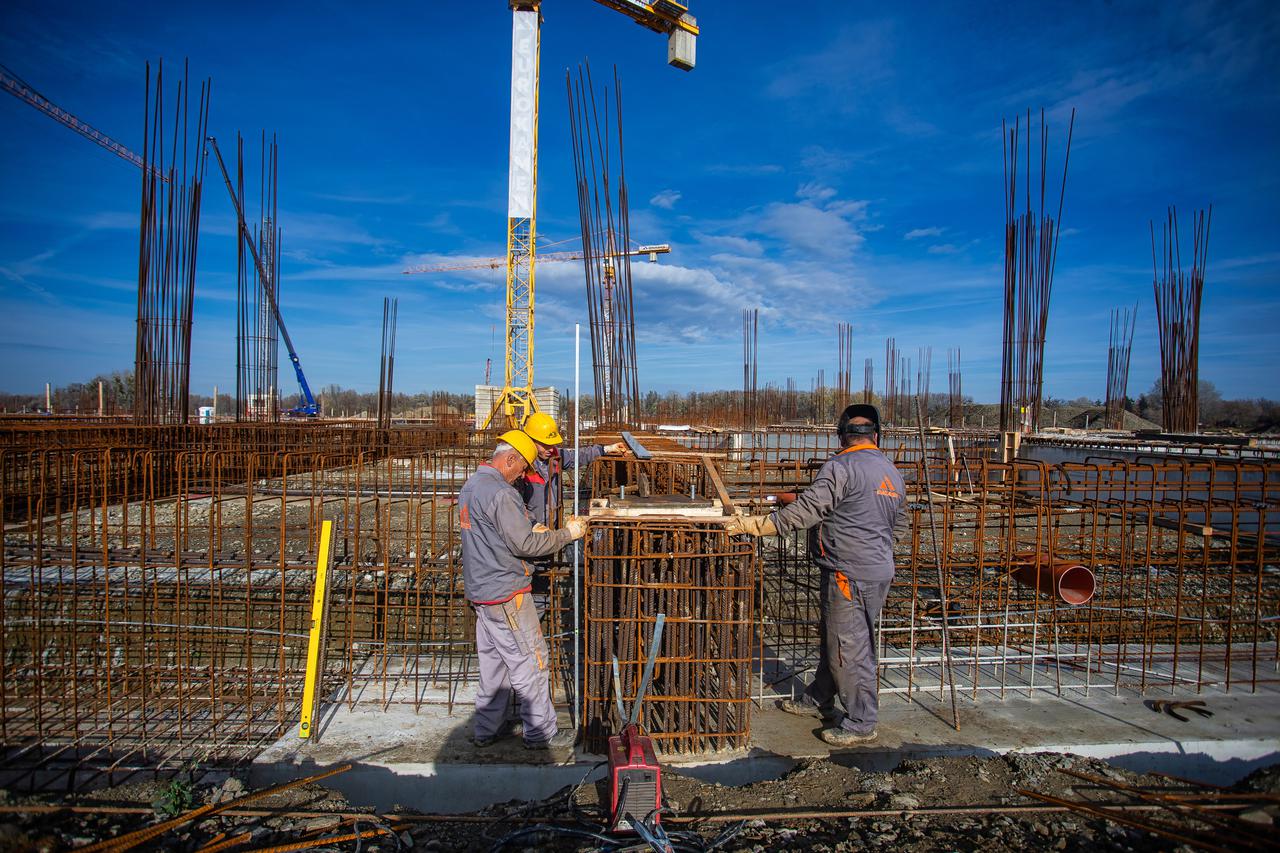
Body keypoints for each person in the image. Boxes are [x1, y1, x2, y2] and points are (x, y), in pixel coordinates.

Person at [727, 404, 906, 747]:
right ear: (876, 436)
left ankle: (861, 721)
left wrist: (759, 525)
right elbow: (898, 524)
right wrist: (871, 546)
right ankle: (818, 698)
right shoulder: (890, 470)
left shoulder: (841, 466)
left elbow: (809, 510)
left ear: (842, 436)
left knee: (849, 646)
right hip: (875, 570)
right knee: (837, 638)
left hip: (848, 573)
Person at [459, 429, 587, 749]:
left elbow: (498, 533)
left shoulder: (472, 485)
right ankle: (541, 733)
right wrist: (567, 534)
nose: (523, 475)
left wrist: (529, 526)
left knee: (495, 666)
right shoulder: (502, 493)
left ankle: (487, 730)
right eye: (522, 467)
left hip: (482, 592)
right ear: (510, 458)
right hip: (506, 594)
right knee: (531, 661)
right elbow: (526, 544)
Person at [519, 412, 626, 527]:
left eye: (552, 444)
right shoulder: (521, 465)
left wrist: (606, 449)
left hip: (553, 525)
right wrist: (533, 523)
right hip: (530, 530)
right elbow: (515, 503)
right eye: (545, 444)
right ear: (531, 440)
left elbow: (578, 456)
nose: (550, 448)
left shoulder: (555, 456)